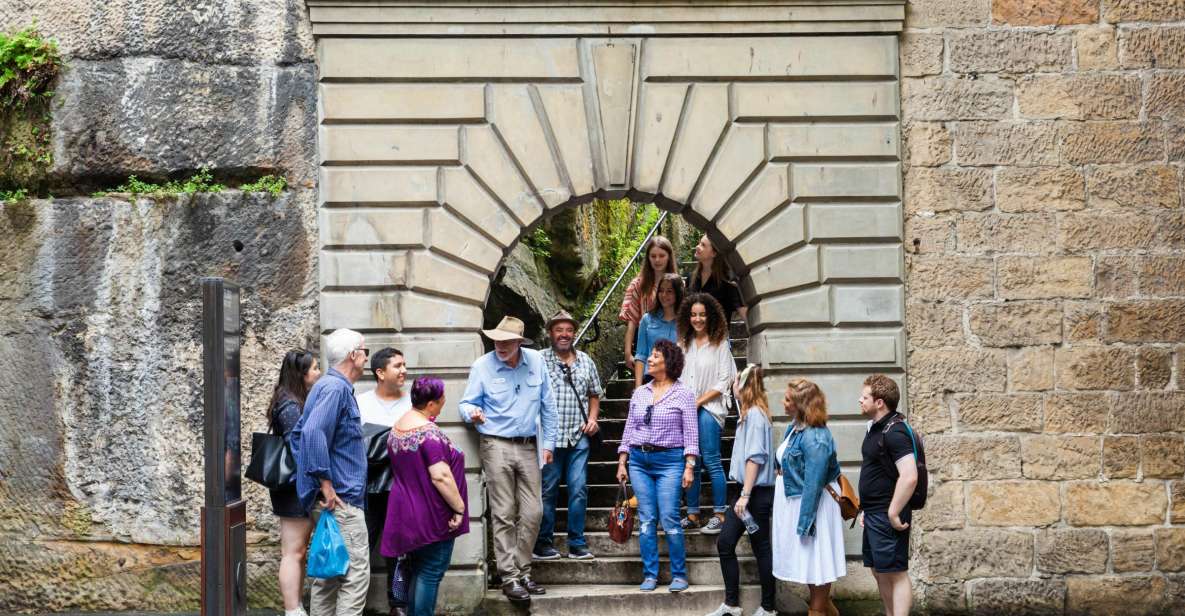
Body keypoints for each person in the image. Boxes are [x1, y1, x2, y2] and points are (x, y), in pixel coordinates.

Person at [459, 316, 558, 602]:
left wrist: (548, 444)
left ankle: (523, 570)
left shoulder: (536, 362)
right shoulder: (482, 366)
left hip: (529, 445)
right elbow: (466, 402)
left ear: (519, 342)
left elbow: (548, 406)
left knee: (534, 511)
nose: (500, 345)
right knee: (504, 512)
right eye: (497, 340)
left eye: (506, 341)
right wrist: (472, 413)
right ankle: (510, 577)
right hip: (496, 443)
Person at [290, 329, 372, 616]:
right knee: (354, 576)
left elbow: (298, 436)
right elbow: (310, 433)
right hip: (341, 500)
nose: (366, 357)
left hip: (332, 499)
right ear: (354, 355)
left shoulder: (325, 386)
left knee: (327, 577)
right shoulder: (336, 389)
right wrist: (325, 483)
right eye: (365, 351)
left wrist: (314, 481)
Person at [616, 338, 699, 593]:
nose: (648, 360)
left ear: (668, 362)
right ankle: (650, 574)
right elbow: (629, 428)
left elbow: (691, 434)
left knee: (670, 517)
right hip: (639, 461)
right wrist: (622, 461)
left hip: (670, 462)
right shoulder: (640, 393)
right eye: (650, 355)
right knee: (646, 519)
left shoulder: (683, 394)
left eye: (654, 356)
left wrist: (689, 466)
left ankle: (679, 574)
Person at [381, 377, 469, 616]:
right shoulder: (428, 434)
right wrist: (459, 508)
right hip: (431, 515)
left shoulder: (398, 427)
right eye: (441, 402)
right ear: (431, 404)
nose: (443, 406)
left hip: (405, 512)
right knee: (430, 572)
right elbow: (440, 476)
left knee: (415, 570)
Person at [533, 311, 604, 561]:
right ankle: (543, 544)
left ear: (574, 333)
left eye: (569, 330)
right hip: (550, 438)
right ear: (550, 333)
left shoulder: (586, 361)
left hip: (578, 436)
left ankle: (577, 543)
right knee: (547, 490)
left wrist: (593, 419)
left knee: (579, 489)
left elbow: (595, 394)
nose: (564, 334)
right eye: (558, 330)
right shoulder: (539, 360)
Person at [771, 379, 846, 616]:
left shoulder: (816, 437)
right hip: (796, 503)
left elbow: (813, 484)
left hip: (815, 508)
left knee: (818, 565)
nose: (783, 402)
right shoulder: (795, 427)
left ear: (801, 405)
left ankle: (817, 611)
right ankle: (824, 610)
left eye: (787, 399)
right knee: (811, 566)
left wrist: (805, 523)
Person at [706, 365, 776, 616]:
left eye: (736, 382)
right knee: (726, 543)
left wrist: (745, 496)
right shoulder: (749, 415)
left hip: (753, 493)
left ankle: (768, 608)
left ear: (744, 386)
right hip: (746, 491)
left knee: (761, 548)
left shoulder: (756, 415)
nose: (733, 386)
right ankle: (732, 604)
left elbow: (755, 458)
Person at [356, 347, 412, 616]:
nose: (404, 370)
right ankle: (354, 602)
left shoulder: (413, 402)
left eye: (404, 365)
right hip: (368, 487)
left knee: (400, 551)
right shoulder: (360, 402)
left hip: (404, 487)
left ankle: (398, 604)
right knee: (361, 545)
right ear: (380, 372)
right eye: (397, 366)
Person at [267, 350, 322, 616]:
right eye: (314, 369)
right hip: (291, 486)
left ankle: (296, 606)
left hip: (296, 485)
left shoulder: (293, 400)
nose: (318, 373)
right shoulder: (289, 404)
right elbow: (297, 446)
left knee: (298, 550)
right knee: (292, 551)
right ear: (301, 374)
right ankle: (292, 610)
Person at [677, 293, 735, 535]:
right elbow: (677, 376)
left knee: (710, 458)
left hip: (710, 408)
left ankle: (720, 514)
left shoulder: (720, 342)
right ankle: (693, 513)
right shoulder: (684, 344)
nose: (697, 319)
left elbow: (725, 380)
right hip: (687, 408)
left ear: (710, 315)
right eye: (693, 315)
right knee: (691, 460)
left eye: (701, 314)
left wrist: (698, 402)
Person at [858, 375, 916, 616]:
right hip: (873, 513)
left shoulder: (896, 432)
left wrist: (893, 512)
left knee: (896, 572)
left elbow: (910, 476)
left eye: (865, 397)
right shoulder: (876, 428)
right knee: (879, 570)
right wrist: (864, 509)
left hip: (887, 514)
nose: (859, 400)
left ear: (879, 402)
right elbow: (876, 471)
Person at [618, 235, 677, 372]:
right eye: (653, 256)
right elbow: (632, 320)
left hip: (673, 341)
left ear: (669, 257)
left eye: (662, 255)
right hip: (647, 343)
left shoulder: (678, 284)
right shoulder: (639, 284)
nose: (657, 260)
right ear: (648, 258)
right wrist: (627, 352)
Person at [633, 273, 684, 389]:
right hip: (652, 379)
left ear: (678, 293)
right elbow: (641, 355)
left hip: (679, 380)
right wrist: (638, 388)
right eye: (661, 291)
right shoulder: (647, 319)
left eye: (669, 291)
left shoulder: (686, 321)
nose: (664, 295)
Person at [687, 234, 745, 322]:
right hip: (694, 335)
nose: (697, 247)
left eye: (703, 245)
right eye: (699, 243)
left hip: (718, 334)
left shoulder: (728, 282)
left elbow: (745, 314)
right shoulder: (690, 278)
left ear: (714, 253)